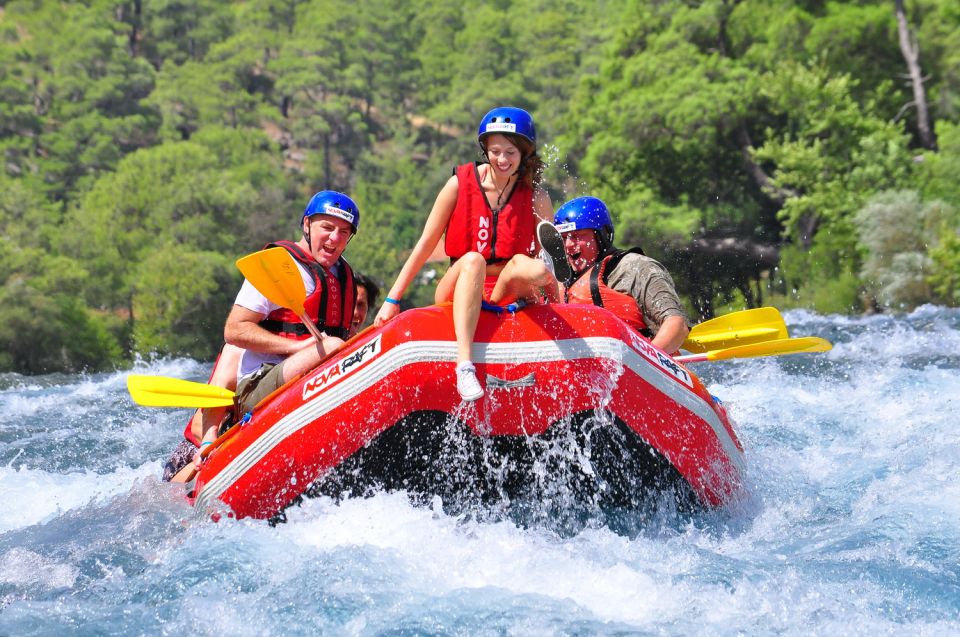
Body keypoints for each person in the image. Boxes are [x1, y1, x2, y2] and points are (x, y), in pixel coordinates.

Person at [374, 106, 560, 402]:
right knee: (474, 259)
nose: (502, 159)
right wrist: (392, 299)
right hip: (460, 283)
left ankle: (540, 287)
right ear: (485, 149)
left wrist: (561, 310)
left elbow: (547, 256)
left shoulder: (537, 197)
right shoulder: (458, 185)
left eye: (510, 152)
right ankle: (465, 365)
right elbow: (424, 244)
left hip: (506, 288)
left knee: (536, 268)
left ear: (524, 154)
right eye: (495, 151)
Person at [553, 196, 690, 354]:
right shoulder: (560, 282)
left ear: (602, 235)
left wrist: (645, 360)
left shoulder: (637, 267)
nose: (568, 245)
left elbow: (677, 325)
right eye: (563, 239)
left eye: (576, 236)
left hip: (643, 365)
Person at [350, 271, 380, 336]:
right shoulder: (324, 343)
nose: (355, 312)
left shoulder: (370, 341)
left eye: (360, 304)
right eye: (349, 304)